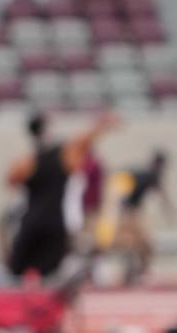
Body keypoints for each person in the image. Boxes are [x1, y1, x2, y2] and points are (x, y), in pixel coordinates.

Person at [7, 111, 117, 278]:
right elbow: (83, 140)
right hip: (55, 222)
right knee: (48, 274)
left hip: (32, 221)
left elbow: (10, 181)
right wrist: (100, 126)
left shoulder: (26, 161)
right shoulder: (65, 155)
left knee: (18, 271)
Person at [114, 149, 173, 284]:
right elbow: (162, 195)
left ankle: (133, 272)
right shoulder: (153, 174)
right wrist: (170, 212)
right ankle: (139, 271)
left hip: (126, 211)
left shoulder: (142, 172)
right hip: (131, 212)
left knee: (133, 243)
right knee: (142, 243)